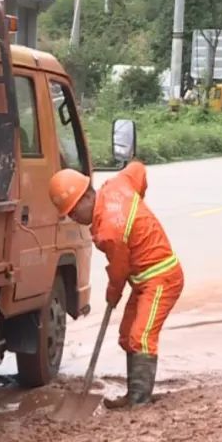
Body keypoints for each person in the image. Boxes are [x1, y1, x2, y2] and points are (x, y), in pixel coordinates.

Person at [47, 161, 184, 407]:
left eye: (74, 211)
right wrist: (135, 204)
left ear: (87, 196)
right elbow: (138, 169)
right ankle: (133, 394)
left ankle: (139, 402)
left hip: (162, 278)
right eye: (68, 214)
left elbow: (119, 270)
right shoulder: (117, 185)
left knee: (141, 336)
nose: (74, 218)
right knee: (126, 335)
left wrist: (113, 294)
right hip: (143, 282)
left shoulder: (110, 230)